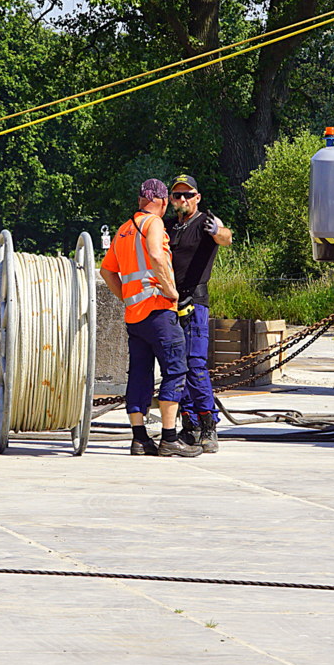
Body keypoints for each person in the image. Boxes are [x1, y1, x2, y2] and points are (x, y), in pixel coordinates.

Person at [99, 178, 202, 457]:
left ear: (140, 200)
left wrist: (126, 296)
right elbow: (156, 255)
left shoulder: (123, 230)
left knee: (140, 376)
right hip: (158, 311)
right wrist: (171, 291)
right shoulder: (153, 224)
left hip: (135, 316)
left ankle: (140, 439)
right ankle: (169, 439)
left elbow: (106, 271)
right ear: (163, 201)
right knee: (175, 370)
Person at [165, 174, 233, 453]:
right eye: (177, 196)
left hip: (195, 304)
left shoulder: (205, 223)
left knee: (195, 365)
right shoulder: (166, 226)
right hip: (168, 305)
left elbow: (226, 237)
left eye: (188, 195)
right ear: (171, 200)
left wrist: (218, 230)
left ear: (197, 198)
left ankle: (208, 425)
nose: (182, 200)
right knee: (175, 368)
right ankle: (188, 423)